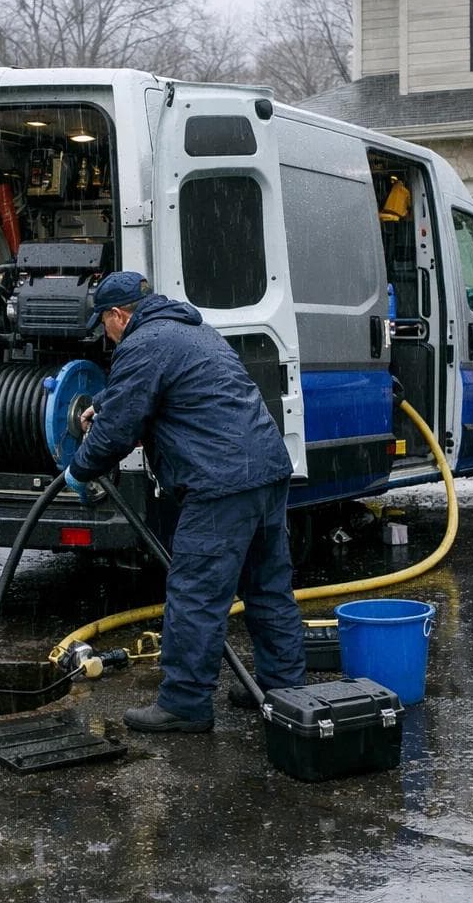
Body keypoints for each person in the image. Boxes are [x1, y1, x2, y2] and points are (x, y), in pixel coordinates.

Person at [64, 271, 306, 733]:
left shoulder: (142, 343)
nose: (106, 336)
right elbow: (163, 387)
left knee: (195, 594)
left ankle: (185, 703)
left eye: (105, 325)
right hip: (266, 470)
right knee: (267, 586)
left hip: (221, 484)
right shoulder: (192, 330)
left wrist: (80, 468)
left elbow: (119, 428)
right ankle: (283, 687)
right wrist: (106, 400)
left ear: (118, 316)